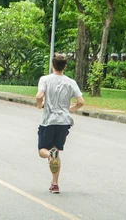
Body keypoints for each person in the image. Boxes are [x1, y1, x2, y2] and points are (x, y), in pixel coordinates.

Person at [36, 53, 85, 194]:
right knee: (56, 150)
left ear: (52, 65)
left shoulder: (45, 79)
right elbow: (81, 102)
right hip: (64, 122)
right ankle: (55, 184)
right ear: (65, 66)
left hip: (48, 121)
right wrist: (71, 109)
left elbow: (39, 96)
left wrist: (40, 105)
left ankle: (50, 156)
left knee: (43, 151)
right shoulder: (71, 82)